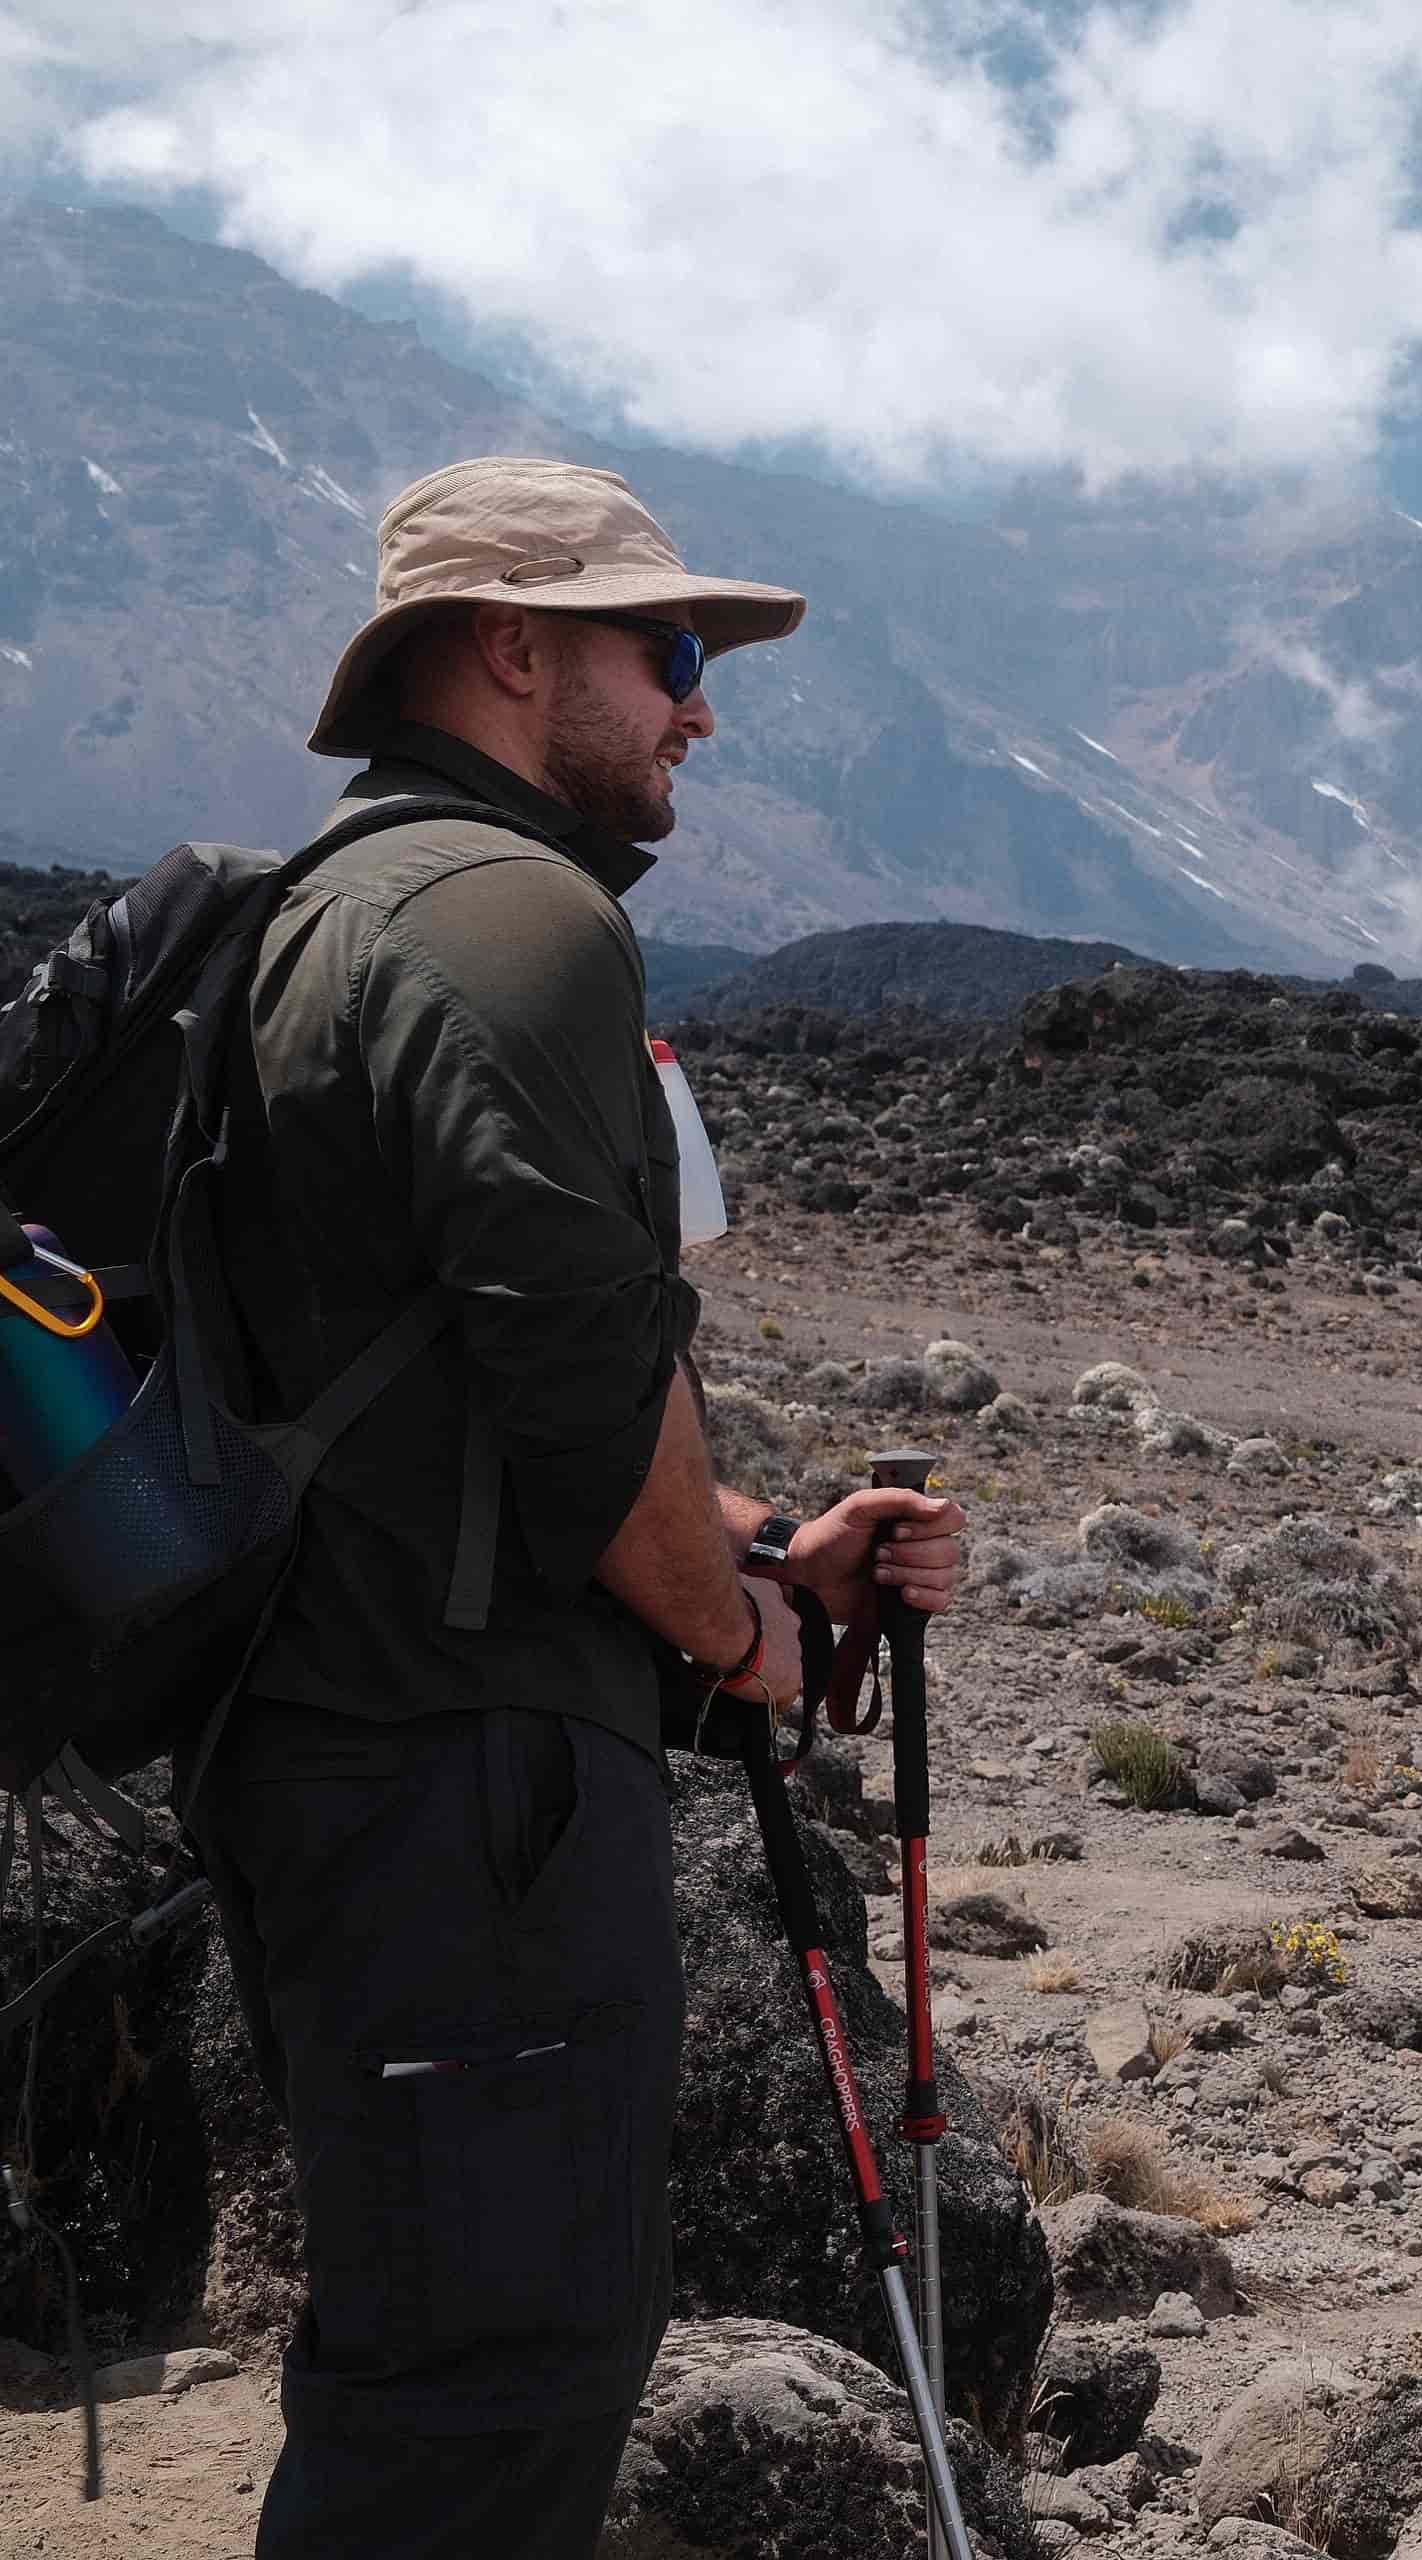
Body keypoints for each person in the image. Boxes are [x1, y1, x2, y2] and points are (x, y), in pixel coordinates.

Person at [184, 456, 972, 2558]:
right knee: (486, 2398)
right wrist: (742, 1632)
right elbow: (576, 1370)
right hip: (465, 1796)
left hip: (356, 1756)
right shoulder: (514, 923)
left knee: (438, 2349)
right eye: (670, 652)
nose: (702, 709)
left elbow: (473, 1379)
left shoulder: (342, 906)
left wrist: (749, 1550)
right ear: (513, 649)